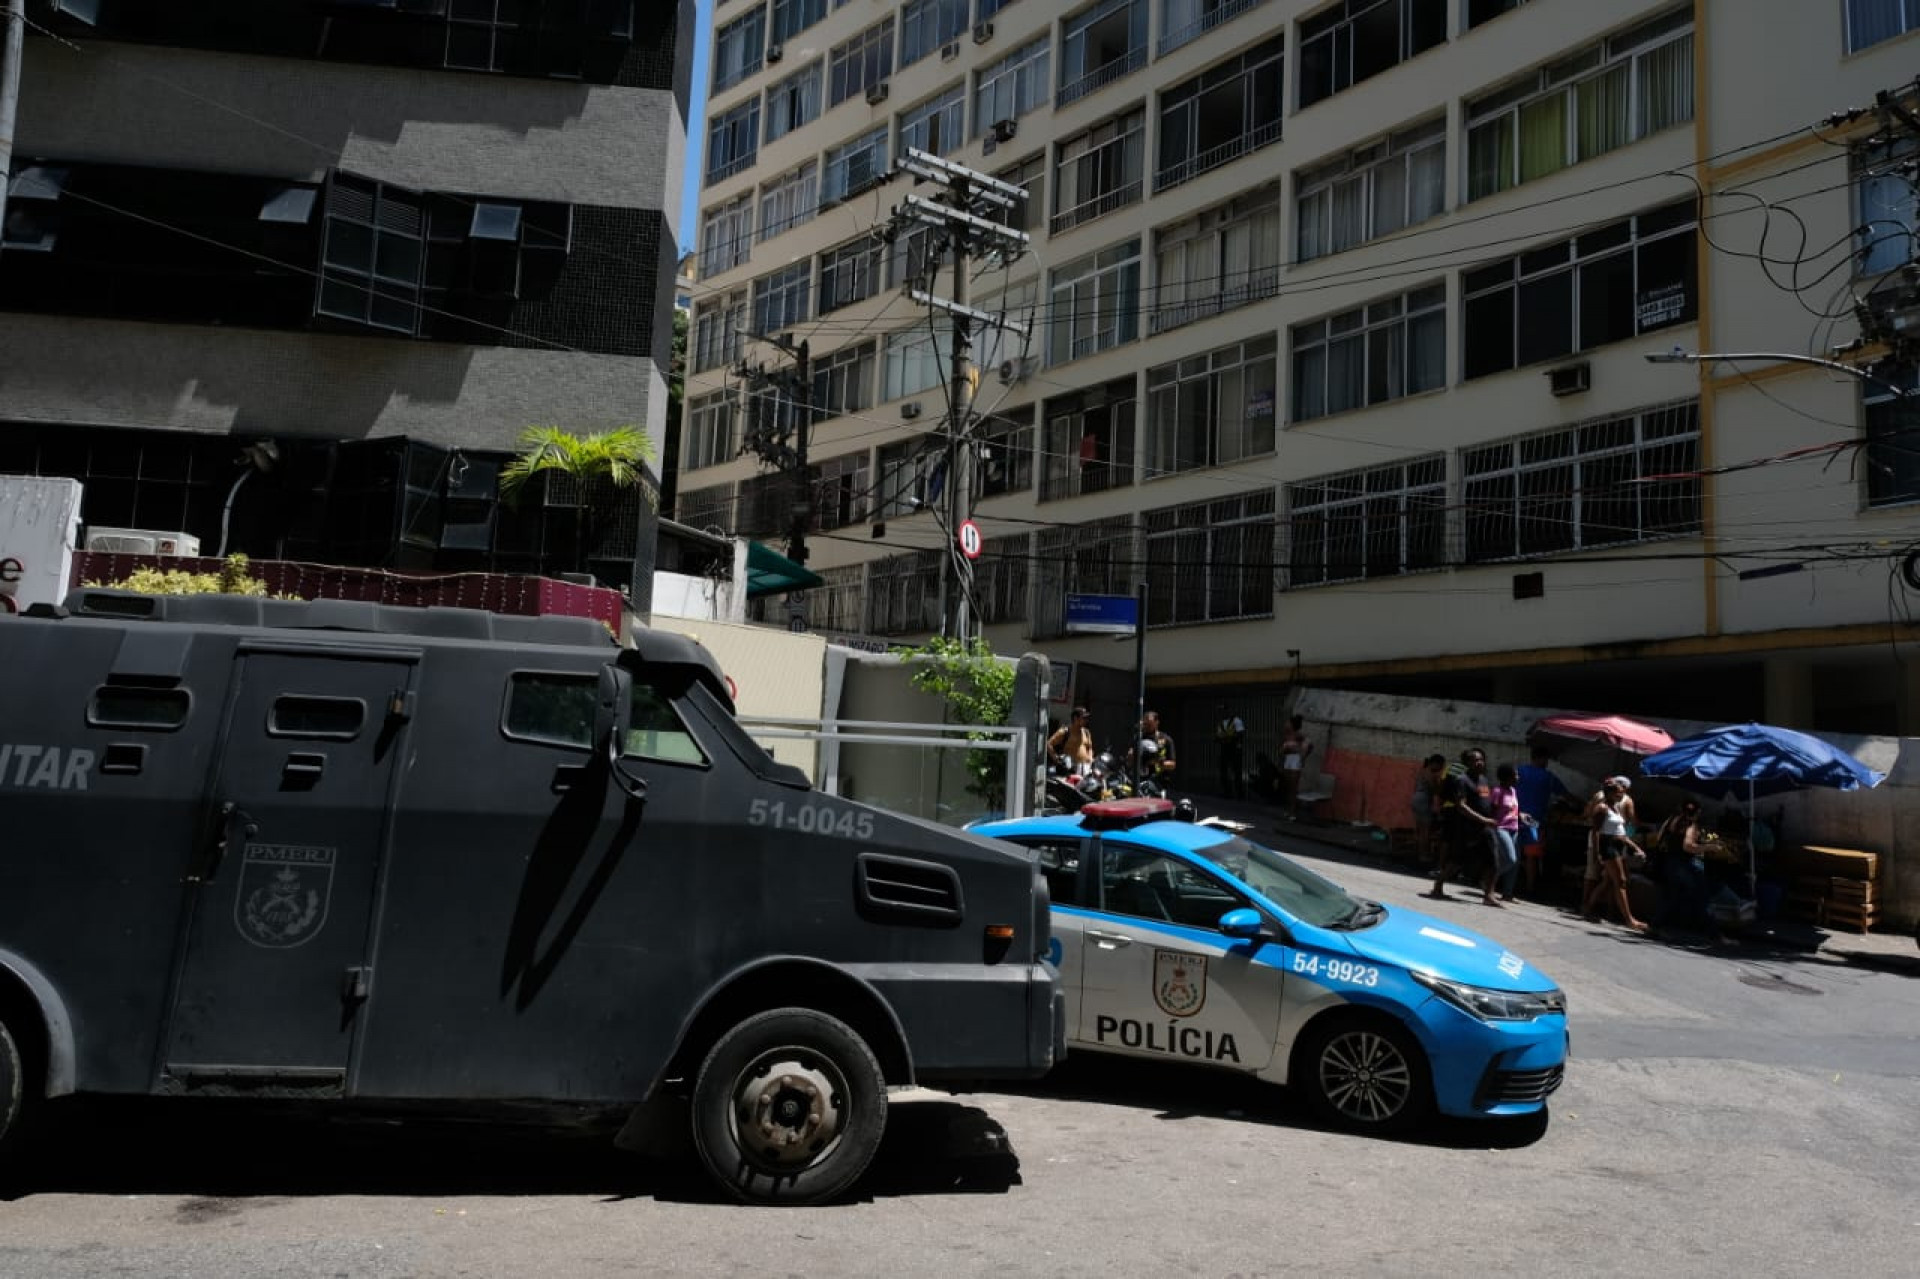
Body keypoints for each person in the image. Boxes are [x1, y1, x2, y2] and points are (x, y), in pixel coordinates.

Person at [1428, 749, 1501, 905]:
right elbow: (1461, 806)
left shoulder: (1484, 780)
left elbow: (1485, 801)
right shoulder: (1461, 780)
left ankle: (1489, 895)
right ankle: (1438, 886)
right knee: (1456, 862)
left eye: (1481, 759)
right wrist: (1483, 819)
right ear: (1467, 763)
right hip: (1467, 828)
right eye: (1475, 760)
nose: (1480, 762)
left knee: (1494, 860)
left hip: (1485, 828)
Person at [1582, 777, 1649, 933]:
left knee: (1613, 881)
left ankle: (1588, 907)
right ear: (1610, 793)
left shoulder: (1615, 808)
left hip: (1616, 846)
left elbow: (1621, 834)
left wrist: (1635, 847)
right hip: (1608, 846)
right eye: (1618, 793)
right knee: (1620, 882)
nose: (1621, 795)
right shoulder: (1602, 808)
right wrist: (1597, 854)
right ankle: (1629, 919)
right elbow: (1596, 833)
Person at [1653, 799, 1724, 941]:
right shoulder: (1690, 825)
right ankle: (1715, 934)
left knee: (1672, 896)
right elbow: (1688, 846)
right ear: (1697, 812)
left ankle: (1655, 926)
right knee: (1703, 898)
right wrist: (1710, 847)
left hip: (1670, 862)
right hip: (1685, 864)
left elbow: (1659, 837)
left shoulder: (1671, 820)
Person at [1514, 747, 1572, 898]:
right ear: (1539, 758)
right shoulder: (1548, 777)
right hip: (1534, 821)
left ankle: (1510, 884)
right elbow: (1565, 794)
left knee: (1514, 851)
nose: (1547, 763)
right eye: (1546, 760)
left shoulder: (1518, 771)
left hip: (1515, 816)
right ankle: (1530, 888)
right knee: (1531, 856)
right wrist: (1582, 805)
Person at [1490, 762, 1524, 903]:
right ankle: (1488, 881)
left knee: (1515, 864)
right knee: (1510, 859)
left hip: (1514, 829)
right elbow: (1492, 810)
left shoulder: (1513, 791)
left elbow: (1512, 809)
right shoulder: (1497, 791)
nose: (1518, 777)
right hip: (1501, 828)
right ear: (1507, 777)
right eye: (1515, 774)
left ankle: (1508, 893)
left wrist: (1521, 815)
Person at [1410, 753, 1448, 863]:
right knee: (1425, 831)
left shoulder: (1422, 771)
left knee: (1420, 829)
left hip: (1416, 799)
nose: (1441, 768)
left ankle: (1418, 853)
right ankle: (1424, 855)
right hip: (1423, 801)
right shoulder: (1430, 773)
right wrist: (1440, 786)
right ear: (1434, 764)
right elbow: (1435, 790)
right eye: (1441, 765)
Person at [1133, 710, 1177, 798]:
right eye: (1145, 723)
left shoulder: (1166, 739)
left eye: (1149, 723)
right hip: (1141, 781)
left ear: (1157, 722)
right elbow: (1130, 759)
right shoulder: (1138, 738)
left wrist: (1157, 762)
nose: (1147, 726)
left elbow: (1172, 764)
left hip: (1159, 783)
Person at [1279, 715, 1313, 819]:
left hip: (1295, 761)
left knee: (1293, 787)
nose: (1286, 724)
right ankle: (1288, 810)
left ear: (1293, 725)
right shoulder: (1286, 736)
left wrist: (1303, 756)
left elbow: (1310, 745)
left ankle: (1293, 812)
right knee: (1287, 786)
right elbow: (1283, 749)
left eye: (1288, 723)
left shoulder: (1299, 736)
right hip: (1288, 760)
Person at [1214, 704, 1247, 799]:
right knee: (1223, 771)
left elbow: (1240, 734)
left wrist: (1228, 738)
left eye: (1224, 711)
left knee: (1237, 772)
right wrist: (1222, 739)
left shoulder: (1236, 720)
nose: (1223, 713)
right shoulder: (1220, 723)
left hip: (1234, 749)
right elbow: (1217, 737)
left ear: (1229, 711)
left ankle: (1240, 793)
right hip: (1225, 749)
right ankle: (1227, 792)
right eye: (1221, 711)